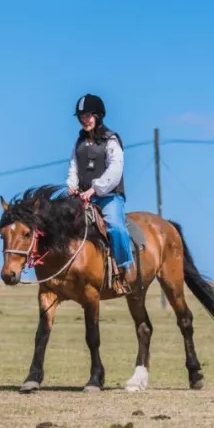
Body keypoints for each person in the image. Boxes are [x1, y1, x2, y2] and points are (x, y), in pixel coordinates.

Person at [66, 93, 133, 296]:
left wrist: (94, 189)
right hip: (83, 197)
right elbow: (73, 168)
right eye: (82, 117)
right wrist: (71, 185)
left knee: (116, 227)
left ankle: (122, 272)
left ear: (98, 116)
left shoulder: (111, 140)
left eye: (88, 116)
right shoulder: (78, 144)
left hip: (108, 196)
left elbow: (115, 170)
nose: (85, 120)